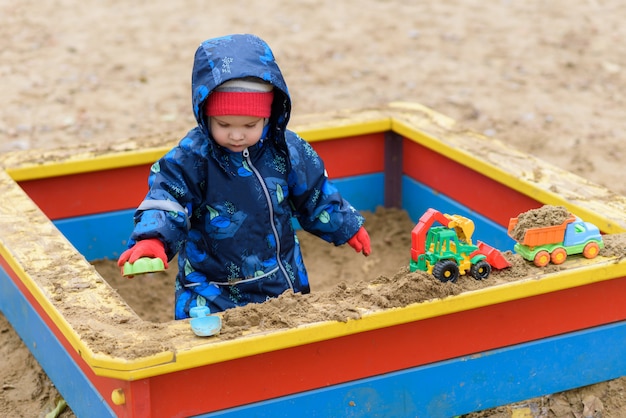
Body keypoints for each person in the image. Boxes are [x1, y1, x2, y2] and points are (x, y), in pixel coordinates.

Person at [117, 34, 371, 319]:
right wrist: (152, 239)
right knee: (207, 347)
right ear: (205, 115)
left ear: (269, 116)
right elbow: (167, 198)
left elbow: (314, 193)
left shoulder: (287, 150)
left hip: (280, 281)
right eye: (223, 124)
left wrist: (345, 223)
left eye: (250, 125)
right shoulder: (192, 157)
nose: (237, 135)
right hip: (210, 288)